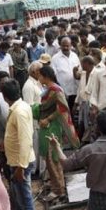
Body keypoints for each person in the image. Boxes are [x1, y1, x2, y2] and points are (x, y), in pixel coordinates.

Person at [32, 66, 80, 201]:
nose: (38, 78)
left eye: (39, 75)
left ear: (46, 76)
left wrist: (48, 118)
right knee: (49, 159)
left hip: (52, 127)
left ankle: (59, 190)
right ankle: (55, 185)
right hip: (46, 126)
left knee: (53, 159)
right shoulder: (49, 88)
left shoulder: (55, 90)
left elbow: (63, 108)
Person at [1, 79, 36, 210]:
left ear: (4, 97)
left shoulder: (19, 112)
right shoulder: (20, 107)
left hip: (20, 162)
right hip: (17, 160)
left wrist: (21, 167)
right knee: (21, 197)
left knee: (24, 198)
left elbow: (26, 140)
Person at [51, 37, 81, 111]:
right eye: (63, 46)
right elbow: (53, 76)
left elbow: (79, 71)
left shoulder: (75, 56)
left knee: (73, 112)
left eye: (67, 46)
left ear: (71, 46)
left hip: (75, 90)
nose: (65, 48)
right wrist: (60, 90)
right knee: (63, 112)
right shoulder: (55, 58)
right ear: (60, 46)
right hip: (63, 92)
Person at [74, 56, 95, 143]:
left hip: (91, 103)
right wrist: (76, 103)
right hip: (83, 102)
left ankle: (87, 141)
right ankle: (83, 140)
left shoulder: (96, 74)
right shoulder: (83, 73)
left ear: (89, 64)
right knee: (81, 123)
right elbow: (80, 89)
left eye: (83, 64)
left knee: (90, 124)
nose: (81, 66)